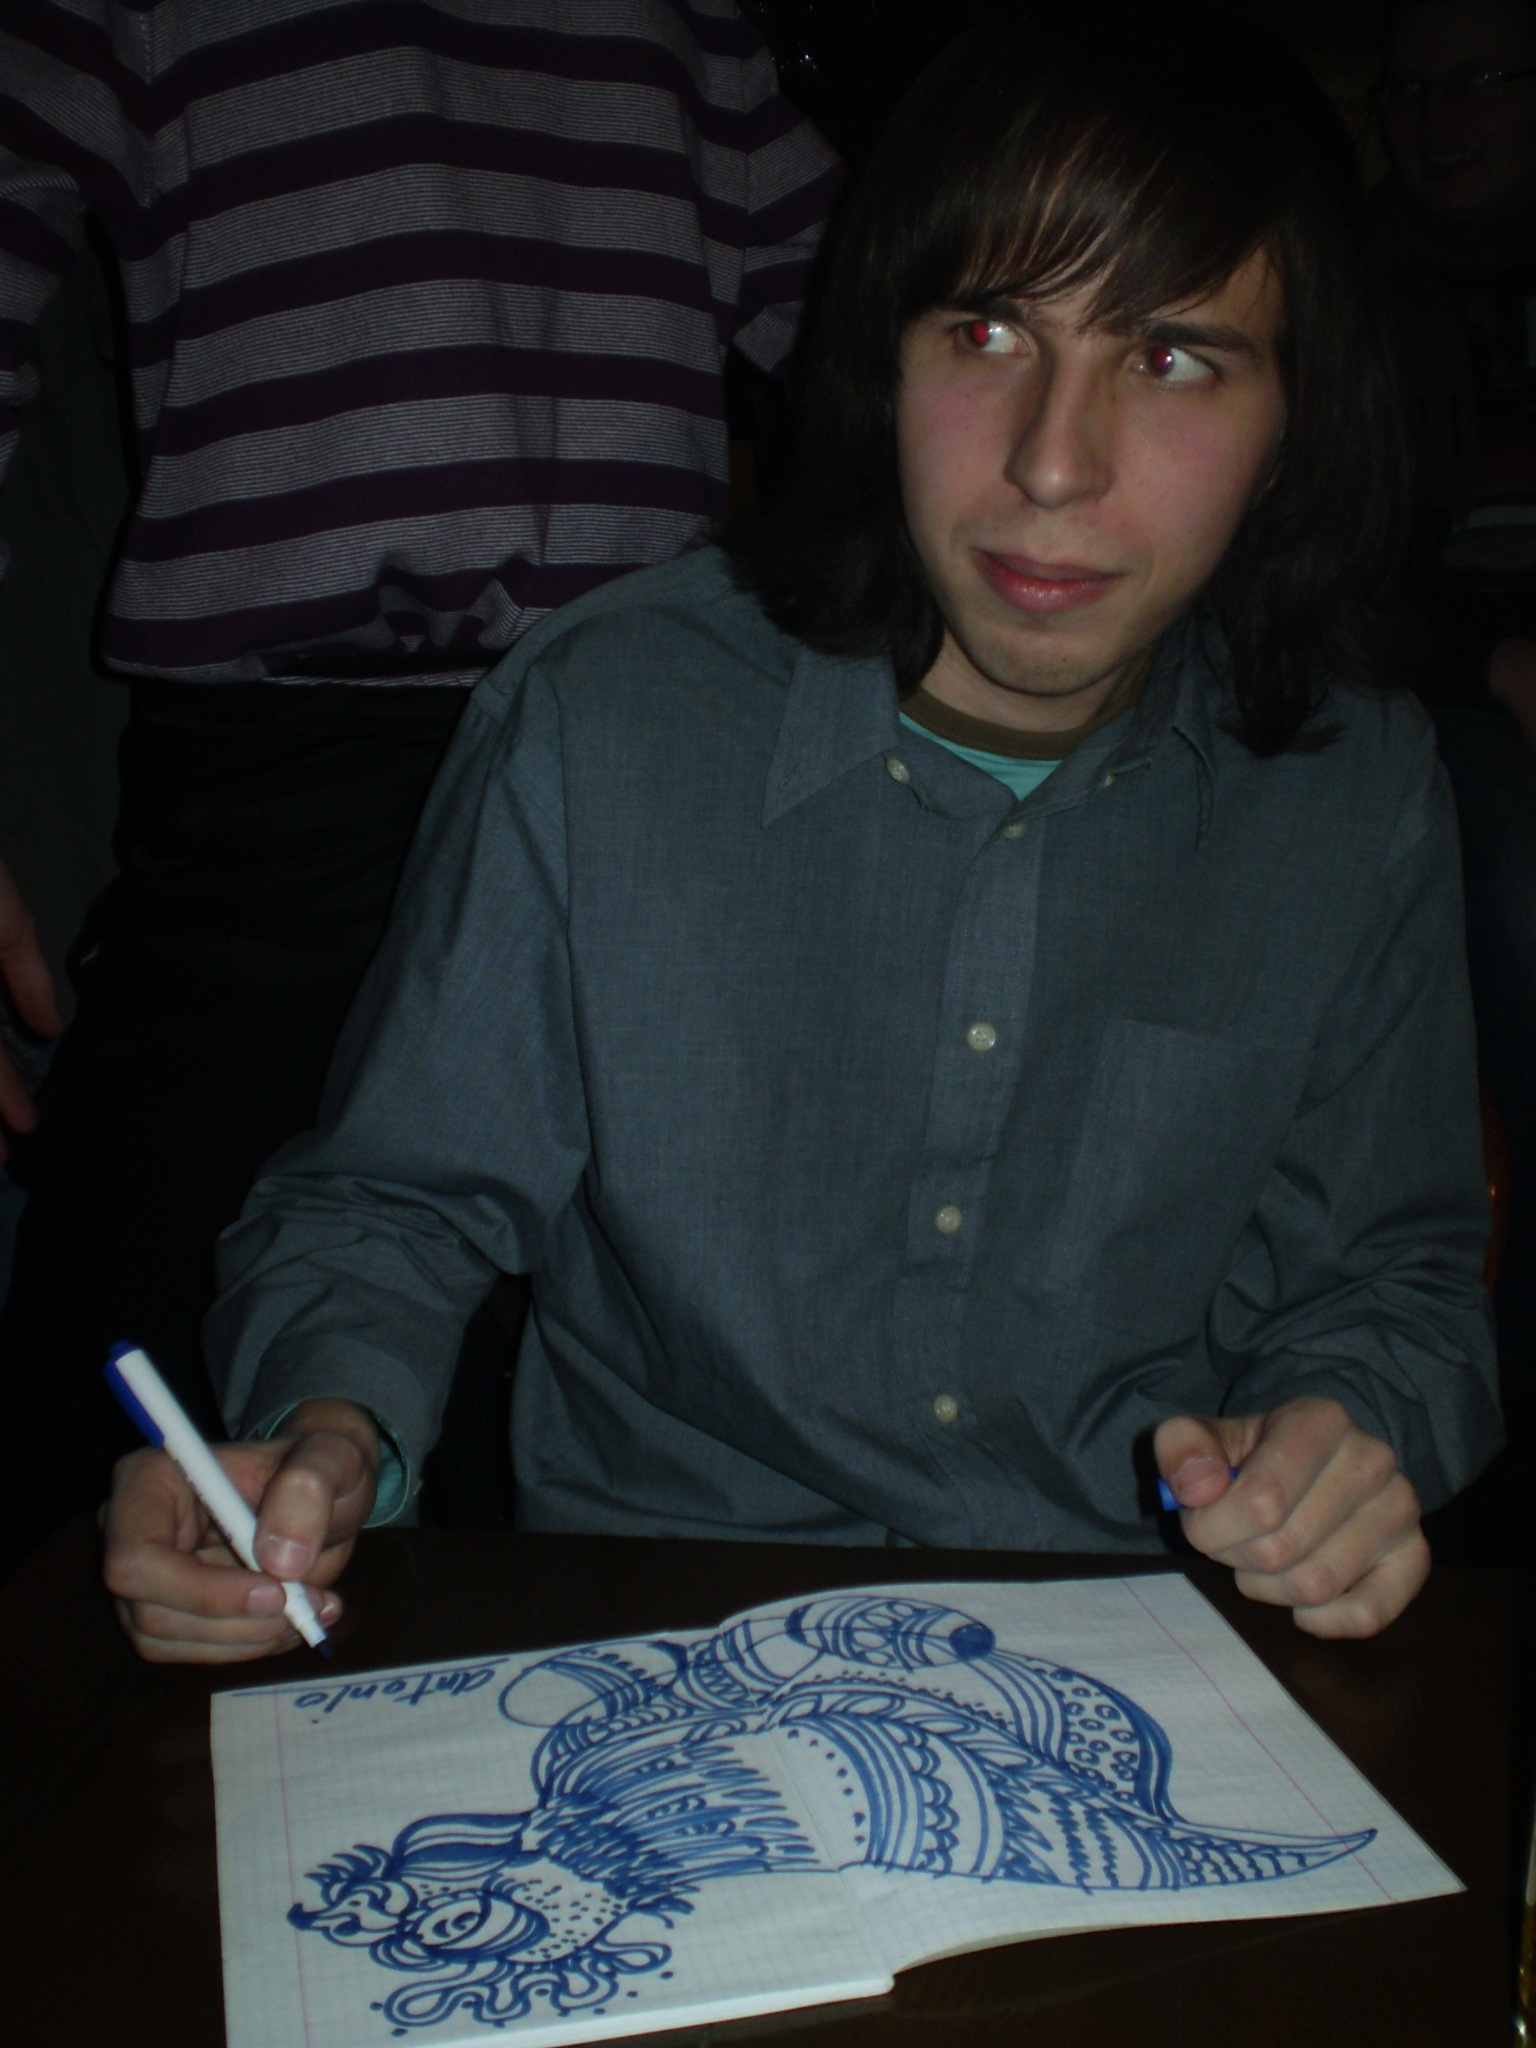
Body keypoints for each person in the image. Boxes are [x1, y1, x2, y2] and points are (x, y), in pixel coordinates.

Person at [103, 0, 1502, 1663]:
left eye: (1171, 358)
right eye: (987, 333)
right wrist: (328, 1437)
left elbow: (1392, 1282)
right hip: (653, 1637)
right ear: (882, 358)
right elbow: (387, 1206)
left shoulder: (1355, 789)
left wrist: (1347, 1429)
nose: (1055, 465)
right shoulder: (603, 718)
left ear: (1293, 428)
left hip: (1144, 1650)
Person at [0, 0, 839, 1570]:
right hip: (283, 791)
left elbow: (880, 335)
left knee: (614, 1429)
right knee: (110, 1479)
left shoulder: (694, 19)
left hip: (646, 763)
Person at [1372, 0, 1536, 1450]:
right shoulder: (1358, 282)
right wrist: (1496, 661)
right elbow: (1329, 575)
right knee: (1515, 879)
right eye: (1413, 89)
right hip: (1435, 679)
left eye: (1476, 79)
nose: (1441, 119)